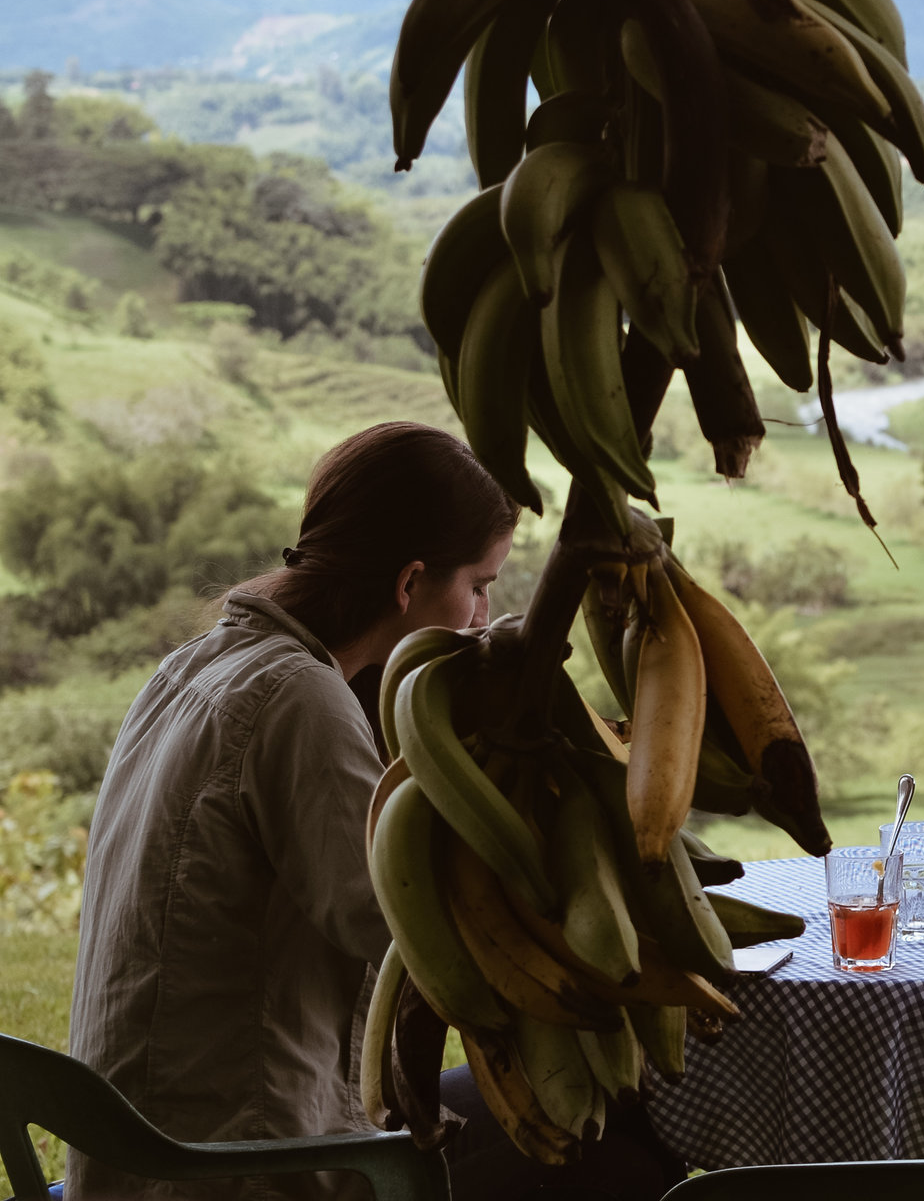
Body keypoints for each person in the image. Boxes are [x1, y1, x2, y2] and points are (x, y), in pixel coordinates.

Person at [66, 422, 683, 1201]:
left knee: (616, 1117)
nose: (481, 617)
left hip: (137, 1152)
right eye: (479, 585)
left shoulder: (197, 665)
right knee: (625, 1154)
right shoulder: (296, 701)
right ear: (409, 582)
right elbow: (420, 939)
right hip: (239, 1169)